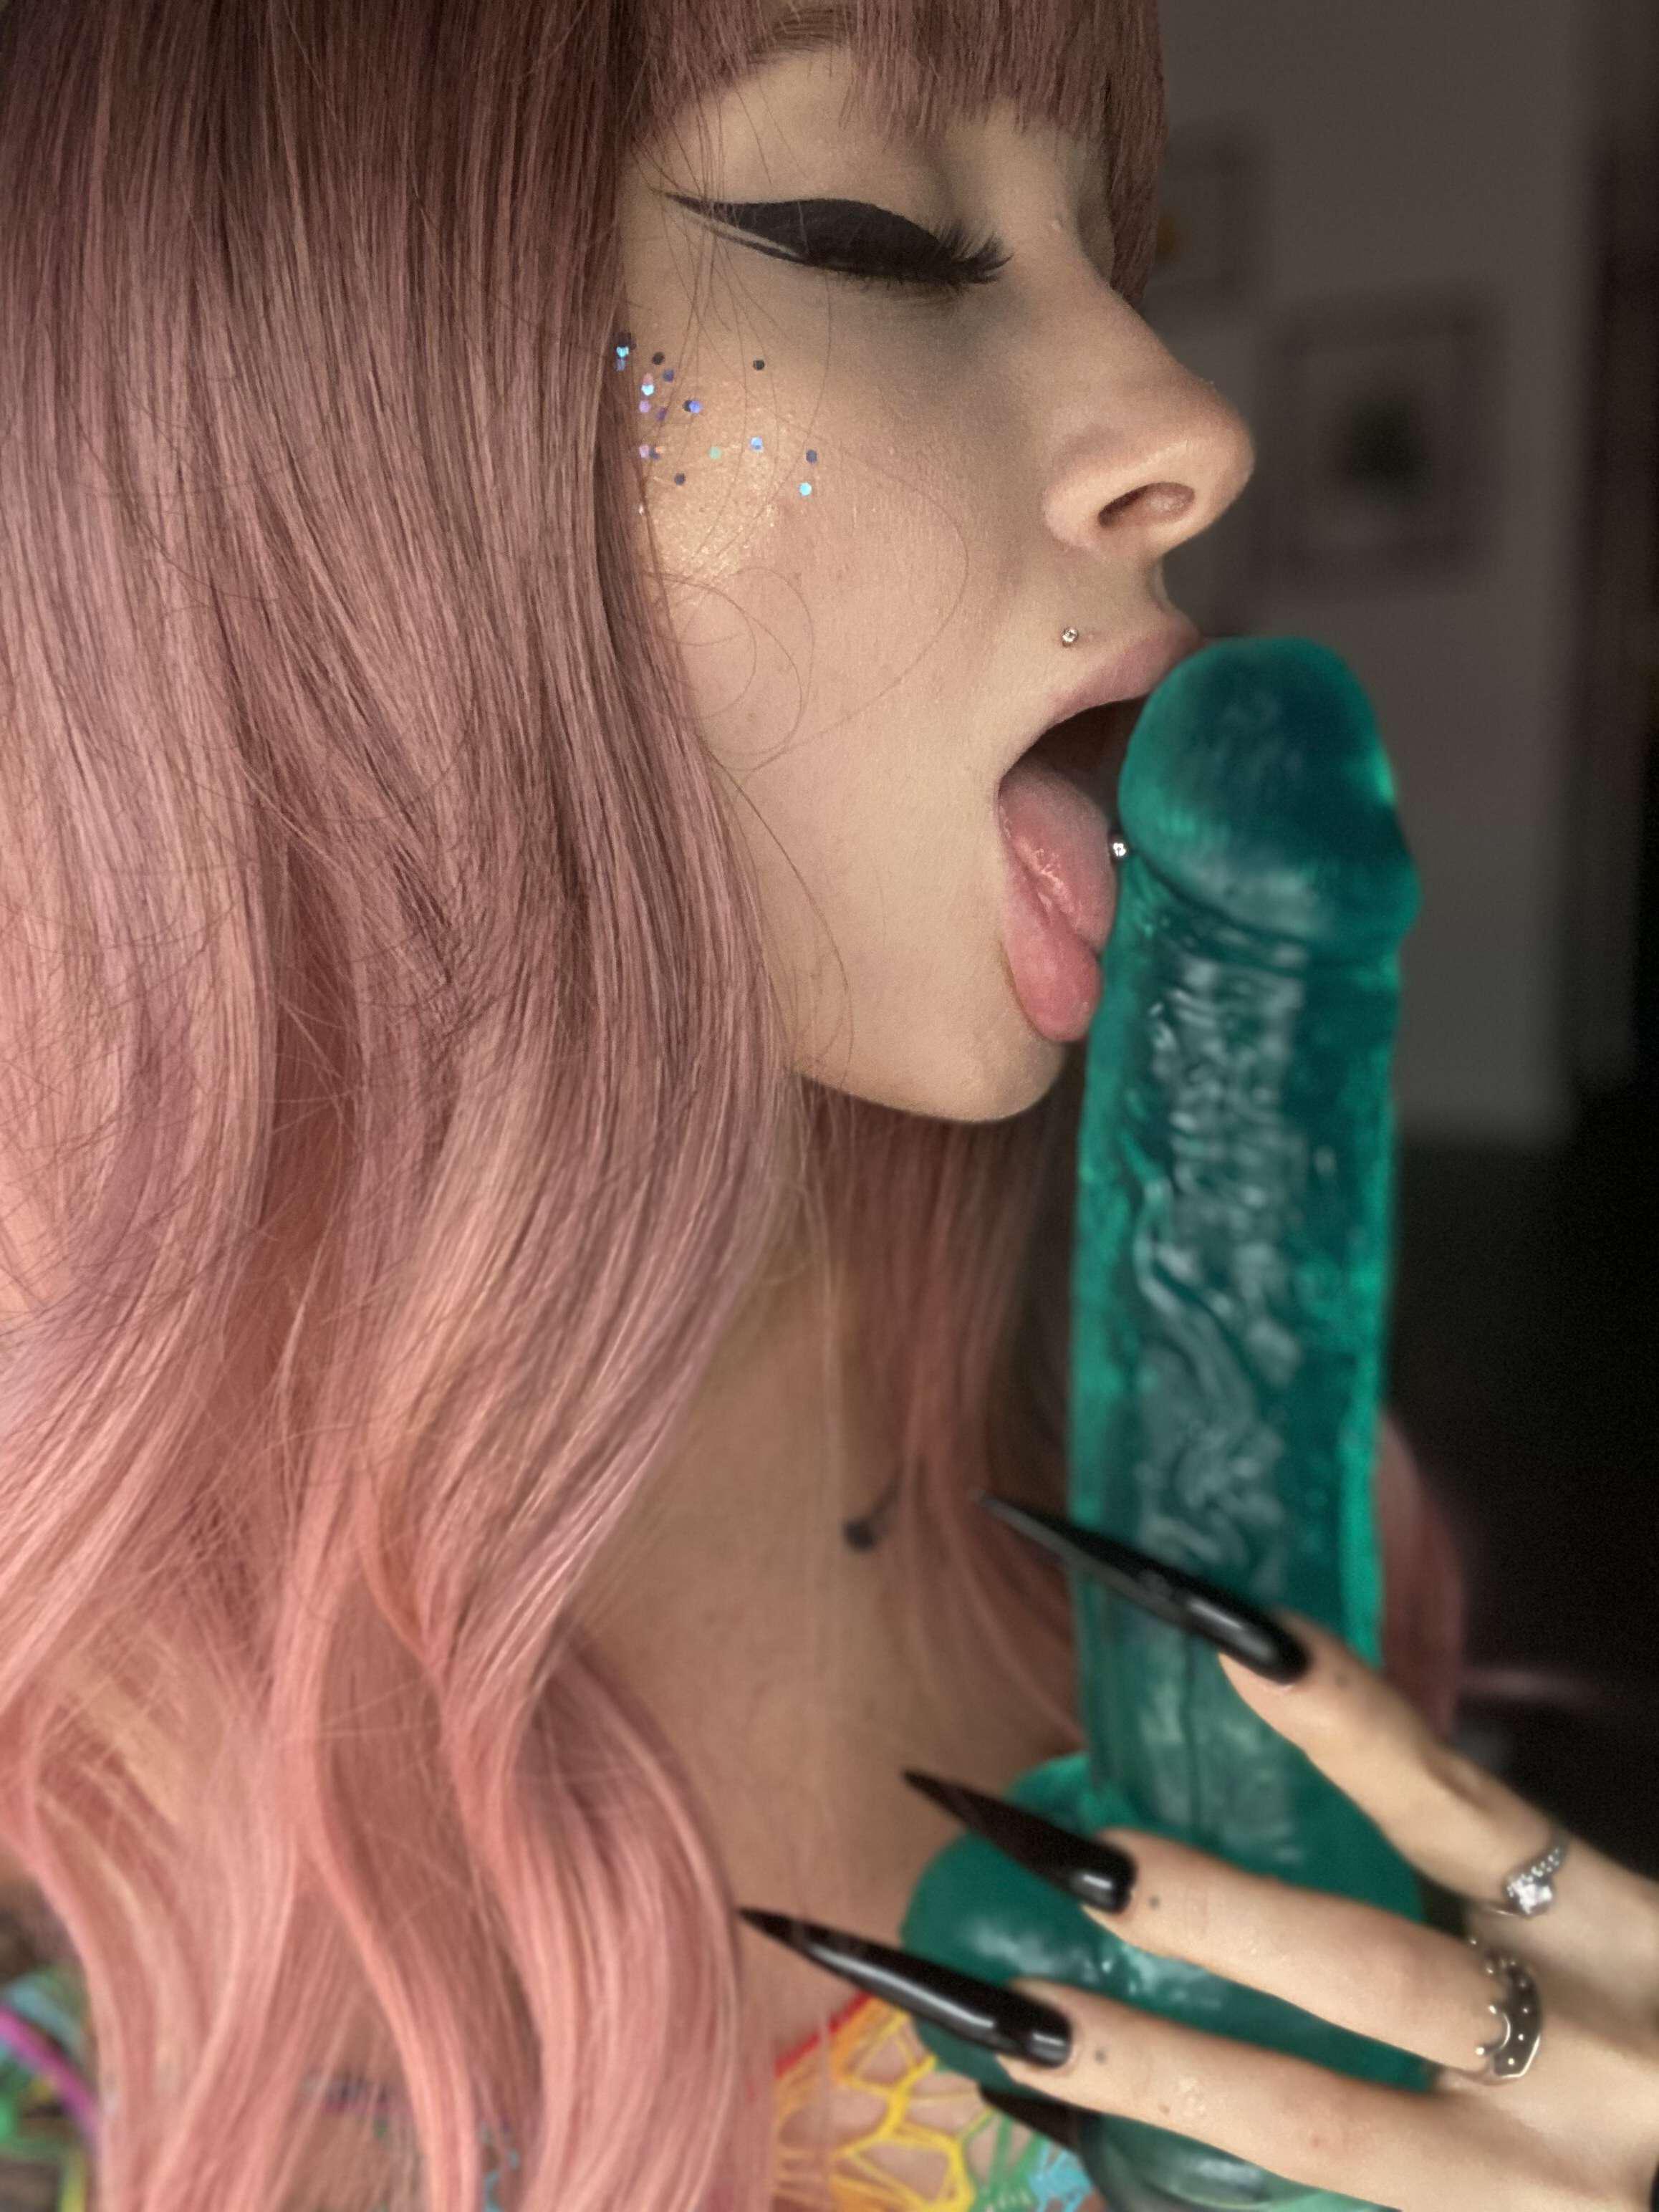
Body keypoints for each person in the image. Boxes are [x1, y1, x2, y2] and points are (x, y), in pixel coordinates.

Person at [0, 1, 1653, 2209]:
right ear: (254, 410)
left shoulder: (1088, 1409)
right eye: (863, 231)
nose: (1191, 423)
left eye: (1119, 257)